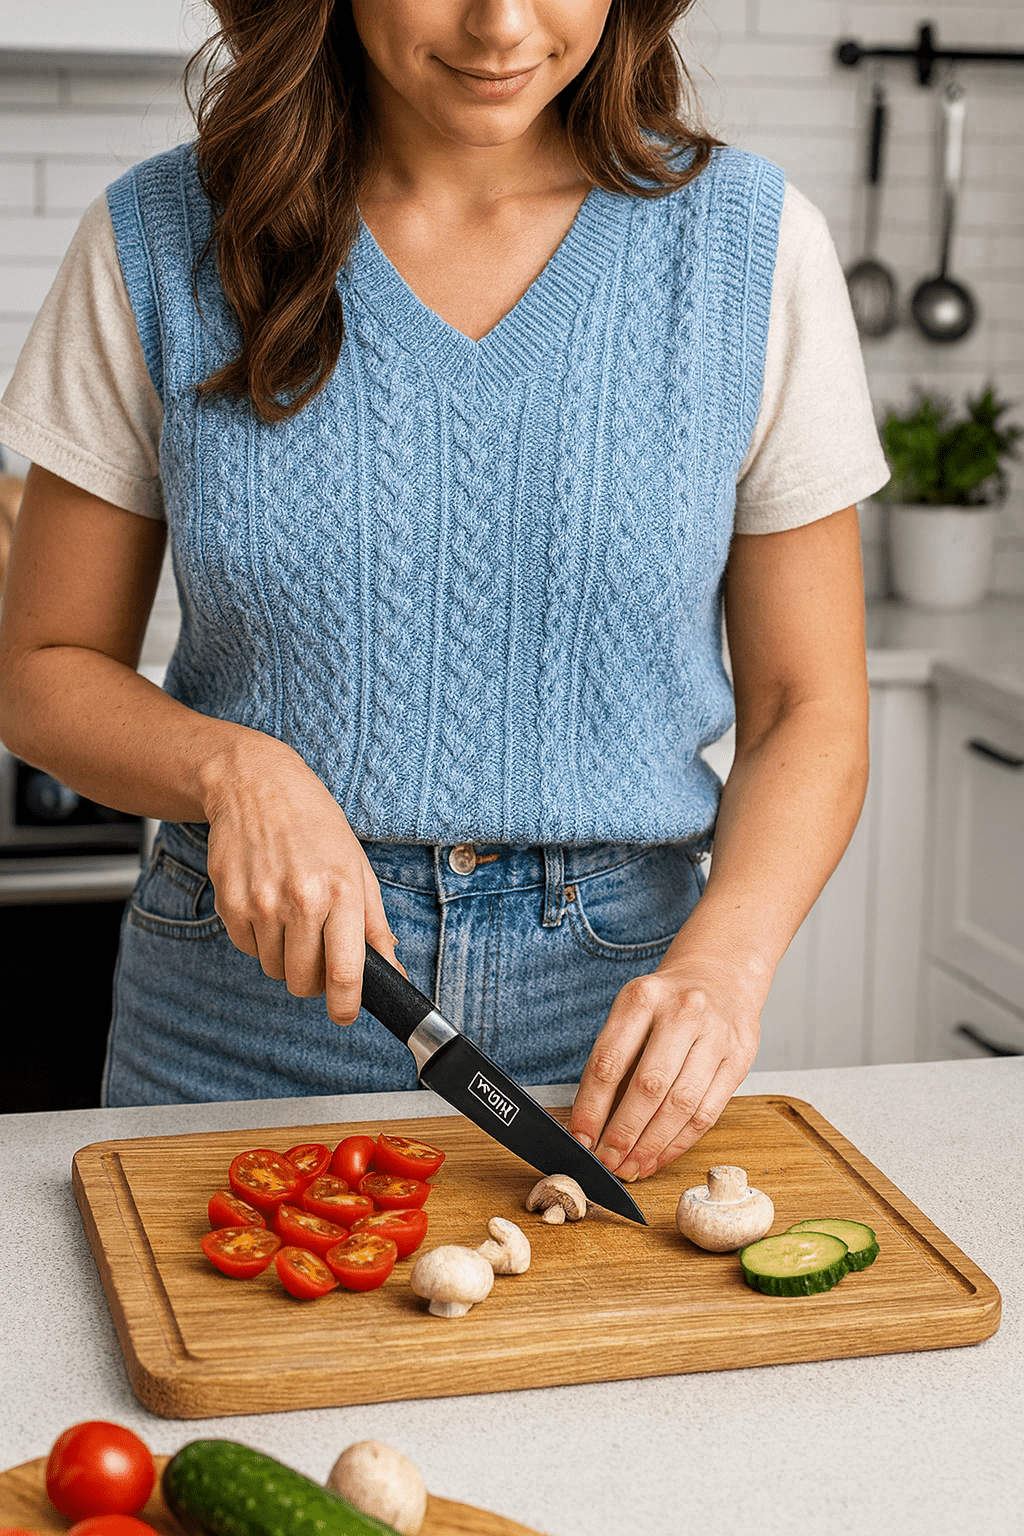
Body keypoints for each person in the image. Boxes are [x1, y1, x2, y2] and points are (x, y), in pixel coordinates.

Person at [0, 0, 888, 1183]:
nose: (502, 25)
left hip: (609, 1023)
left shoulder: (750, 248)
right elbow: (40, 667)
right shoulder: (161, 237)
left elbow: (806, 707)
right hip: (237, 1016)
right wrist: (232, 768)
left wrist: (722, 964)